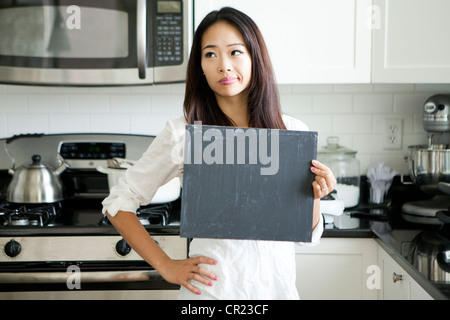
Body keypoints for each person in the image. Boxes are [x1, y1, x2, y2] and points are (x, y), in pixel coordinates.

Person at [102, 7, 336, 299]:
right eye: (210, 54)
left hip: (276, 291)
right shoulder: (185, 133)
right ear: (200, 66)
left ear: (255, 57)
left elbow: (304, 237)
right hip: (212, 294)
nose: (223, 66)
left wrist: (314, 195)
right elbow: (117, 204)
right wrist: (166, 265)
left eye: (235, 52)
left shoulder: (291, 132)